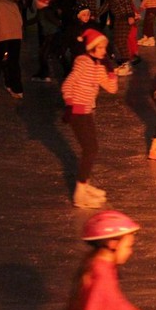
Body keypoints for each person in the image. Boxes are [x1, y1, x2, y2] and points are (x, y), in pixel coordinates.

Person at [54, 210, 156, 310]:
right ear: (112, 244)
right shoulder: (101, 277)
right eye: (128, 246)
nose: (130, 251)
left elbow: (115, 302)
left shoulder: (101, 266)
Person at [61, 28, 118, 208]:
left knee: (92, 148)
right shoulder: (83, 62)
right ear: (91, 48)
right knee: (90, 149)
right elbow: (67, 85)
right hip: (78, 112)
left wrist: (111, 73)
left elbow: (111, 89)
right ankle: (80, 193)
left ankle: (84, 185)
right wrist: (71, 105)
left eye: (104, 48)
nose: (104, 51)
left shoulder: (98, 66)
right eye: (100, 48)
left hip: (87, 112)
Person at [98, 0, 136, 76]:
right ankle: (124, 62)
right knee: (117, 39)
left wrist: (130, 15)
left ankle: (126, 64)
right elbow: (106, 5)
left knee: (120, 40)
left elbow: (127, 2)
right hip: (118, 18)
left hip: (125, 17)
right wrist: (95, 14)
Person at [31, 0, 61, 83]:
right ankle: (43, 73)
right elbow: (35, 19)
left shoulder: (47, 11)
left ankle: (45, 74)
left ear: (41, 3)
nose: (35, 4)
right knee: (44, 54)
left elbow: (57, 22)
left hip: (52, 35)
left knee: (44, 55)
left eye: (37, 2)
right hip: (49, 35)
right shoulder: (41, 11)